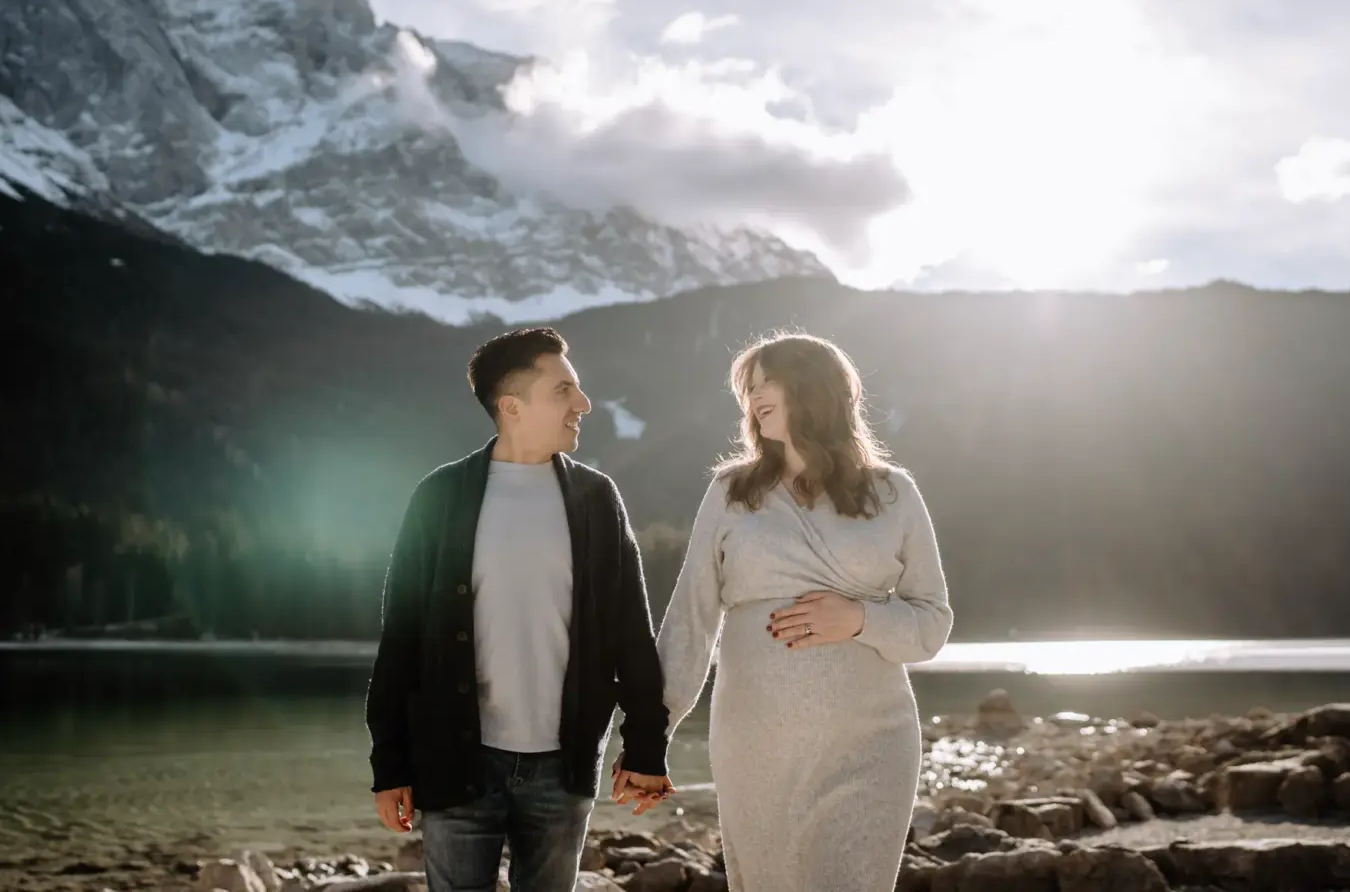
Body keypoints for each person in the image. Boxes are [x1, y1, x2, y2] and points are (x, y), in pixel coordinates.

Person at [640, 332, 953, 891]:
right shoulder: (731, 491)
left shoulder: (893, 493)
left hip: (870, 741)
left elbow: (931, 624)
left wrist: (861, 619)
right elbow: (691, 618)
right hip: (755, 744)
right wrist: (651, 732)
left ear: (816, 389)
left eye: (767, 382)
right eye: (749, 387)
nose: (754, 397)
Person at [366, 326, 673, 892]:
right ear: (512, 407)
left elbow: (631, 632)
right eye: (563, 392)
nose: (583, 404)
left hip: (565, 765)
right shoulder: (438, 498)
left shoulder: (596, 500)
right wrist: (390, 765)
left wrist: (647, 746)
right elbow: (401, 641)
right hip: (456, 764)